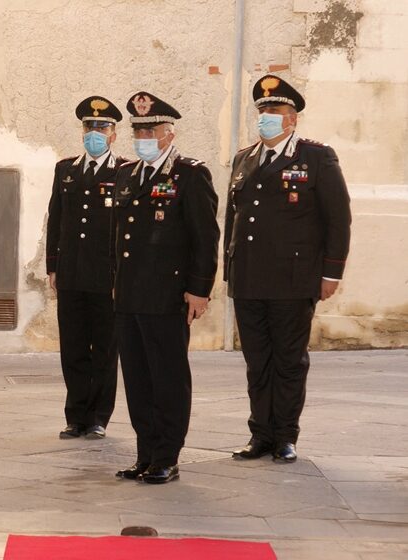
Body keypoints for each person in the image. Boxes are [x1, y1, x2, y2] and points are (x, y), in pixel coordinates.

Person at [225, 74, 351, 463]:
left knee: (289, 361)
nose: (266, 117)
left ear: (292, 118)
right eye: (262, 111)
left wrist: (331, 273)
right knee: (257, 361)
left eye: (274, 111)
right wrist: (228, 269)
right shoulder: (244, 158)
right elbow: (234, 218)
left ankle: (285, 436)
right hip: (248, 279)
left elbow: (338, 218)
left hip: (293, 279)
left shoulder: (316, 157)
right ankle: (260, 434)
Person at [113, 92, 219, 484]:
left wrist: (199, 289)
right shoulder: (127, 173)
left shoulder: (189, 175)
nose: (142, 135)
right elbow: (118, 239)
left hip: (166, 295)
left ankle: (167, 456)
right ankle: (145, 453)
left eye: (150, 129)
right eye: (137, 129)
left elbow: (205, 237)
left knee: (167, 377)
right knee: (138, 378)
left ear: (168, 133)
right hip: (128, 297)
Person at [46, 96, 125, 440]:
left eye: (102, 127)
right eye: (89, 126)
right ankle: (75, 415)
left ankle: (98, 417)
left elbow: (125, 228)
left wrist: (121, 274)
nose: (95, 132)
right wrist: (53, 266)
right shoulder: (66, 169)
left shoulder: (124, 171)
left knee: (105, 350)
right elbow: (56, 220)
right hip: (72, 274)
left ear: (113, 134)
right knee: (74, 347)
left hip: (106, 277)